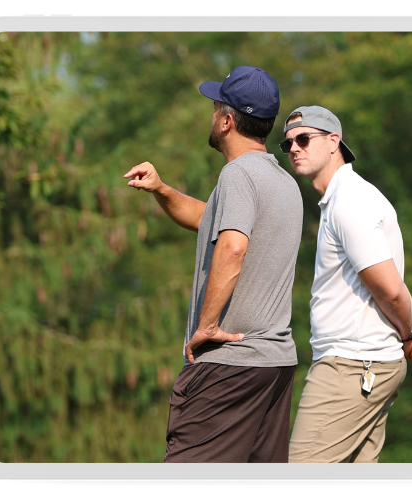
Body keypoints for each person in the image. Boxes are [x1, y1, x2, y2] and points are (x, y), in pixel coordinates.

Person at [123, 66, 303, 463]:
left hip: (229, 365)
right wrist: (162, 189)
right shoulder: (282, 181)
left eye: (215, 106)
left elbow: (233, 247)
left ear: (226, 120)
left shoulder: (237, 175)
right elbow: (212, 220)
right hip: (275, 366)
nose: (212, 115)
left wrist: (206, 326)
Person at [279, 105, 412, 463]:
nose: (294, 148)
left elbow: (390, 291)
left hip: (352, 368)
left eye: (303, 138)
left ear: (333, 142)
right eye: (287, 144)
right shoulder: (344, 199)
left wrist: (411, 342)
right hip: (365, 367)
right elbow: (396, 287)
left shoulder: (350, 203)